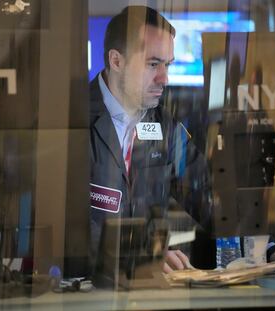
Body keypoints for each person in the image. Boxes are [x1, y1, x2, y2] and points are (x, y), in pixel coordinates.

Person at [89, 5, 212, 277]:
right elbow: (65, 230)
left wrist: (272, 246)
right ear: (116, 61)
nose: (164, 78)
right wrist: (140, 256)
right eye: (153, 64)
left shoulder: (163, 125)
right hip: (85, 291)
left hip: (148, 291)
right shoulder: (73, 121)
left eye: (167, 65)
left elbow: (207, 196)